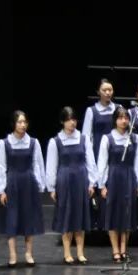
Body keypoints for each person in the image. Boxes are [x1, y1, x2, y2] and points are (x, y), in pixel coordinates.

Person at [46, 106, 96, 264]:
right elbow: (51, 165)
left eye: (74, 119)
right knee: (67, 215)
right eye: (68, 120)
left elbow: (90, 161)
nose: (72, 123)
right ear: (62, 121)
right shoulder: (56, 141)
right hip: (65, 180)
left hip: (81, 179)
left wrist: (92, 182)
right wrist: (52, 187)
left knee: (80, 216)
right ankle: (67, 252)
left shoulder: (83, 138)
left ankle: (80, 252)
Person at [0, 110, 45, 267]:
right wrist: (1, 190)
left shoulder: (33, 142)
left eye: (25, 122)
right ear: (14, 124)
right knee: (12, 217)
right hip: (12, 183)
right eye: (19, 122)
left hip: (28, 183)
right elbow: (0, 166)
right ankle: (13, 254)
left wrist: (40, 184)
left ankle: (29, 253)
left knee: (28, 217)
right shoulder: (5, 143)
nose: (23, 125)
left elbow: (37, 164)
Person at [97, 106, 138, 263]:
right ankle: (115, 250)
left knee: (127, 214)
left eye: (126, 118)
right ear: (115, 120)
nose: (124, 121)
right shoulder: (107, 138)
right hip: (113, 178)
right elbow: (102, 162)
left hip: (129, 177)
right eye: (120, 118)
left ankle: (124, 249)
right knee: (113, 213)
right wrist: (102, 184)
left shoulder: (134, 138)